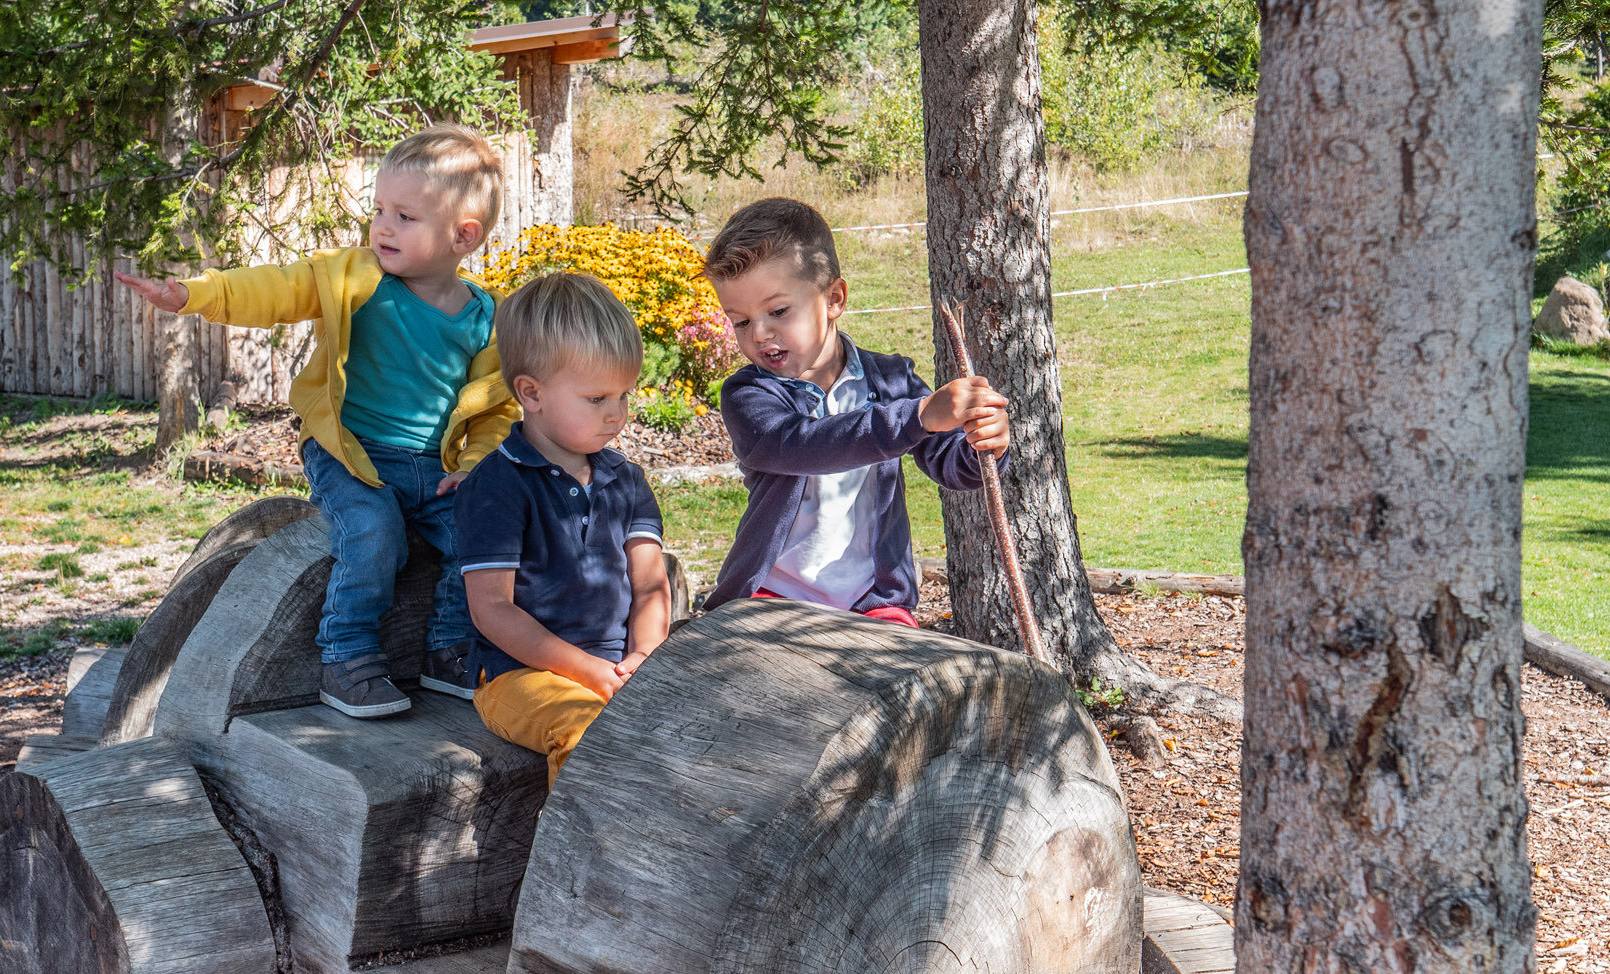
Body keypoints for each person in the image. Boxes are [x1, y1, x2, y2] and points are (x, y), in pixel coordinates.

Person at [116, 124, 517, 718]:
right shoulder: (356, 278)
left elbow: (493, 408)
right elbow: (276, 289)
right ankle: (346, 656)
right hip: (352, 452)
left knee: (478, 536)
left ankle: (449, 647)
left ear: (464, 235)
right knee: (373, 535)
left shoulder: (487, 318)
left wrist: (475, 467)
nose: (382, 227)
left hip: (435, 467)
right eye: (378, 210)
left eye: (405, 216)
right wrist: (195, 295)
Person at [700, 197, 1012, 625]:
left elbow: (952, 467)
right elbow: (801, 446)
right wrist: (917, 417)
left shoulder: (891, 381)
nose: (759, 333)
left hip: (873, 602)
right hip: (770, 594)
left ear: (834, 299)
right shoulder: (750, 394)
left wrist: (985, 443)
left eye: (778, 311)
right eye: (740, 321)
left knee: (903, 666)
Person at [456, 273, 671, 785]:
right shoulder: (498, 486)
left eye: (623, 395)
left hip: (618, 669)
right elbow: (492, 610)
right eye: (597, 399)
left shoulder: (625, 479)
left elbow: (650, 585)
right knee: (587, 734)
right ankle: (575, 841)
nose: (616, 415)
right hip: (519, 676)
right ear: (531, 393)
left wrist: (642, 656)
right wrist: (588, 671)